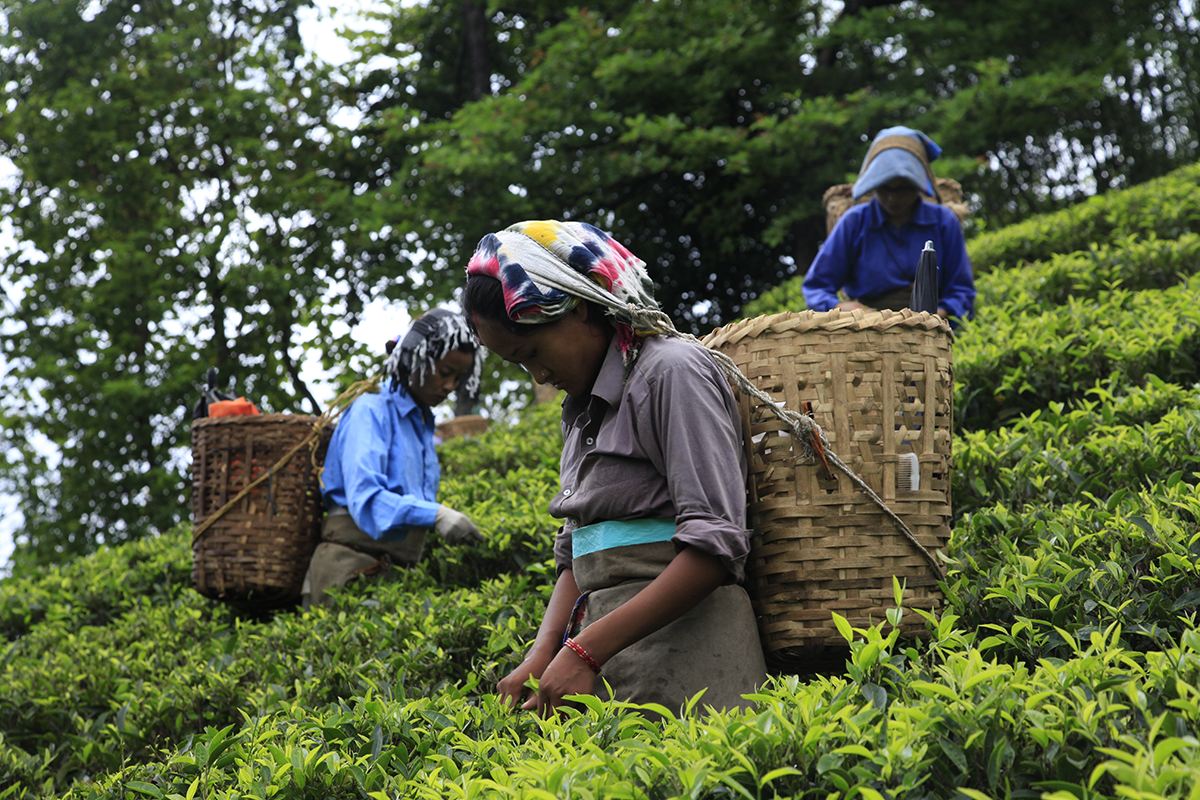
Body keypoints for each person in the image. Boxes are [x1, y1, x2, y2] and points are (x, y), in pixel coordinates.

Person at [463, 220, 767, 718]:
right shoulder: (581, 409)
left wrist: (584, 650)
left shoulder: (671, 372)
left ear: (579, 304)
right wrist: (542, 657)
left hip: (692, 655)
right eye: (518, 364)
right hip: (608, 659)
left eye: (533, 352)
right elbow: (576, 553)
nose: (537, 375)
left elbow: (716, 545)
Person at [302, 309, 486, 608]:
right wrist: (436, 514)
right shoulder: (370, 410)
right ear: (415, 359)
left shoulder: (422, 425)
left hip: (397, 574)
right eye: (444, 372)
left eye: (458, 377)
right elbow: (367, 498)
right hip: (348, 568)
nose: (450, 386)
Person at [802, 126, 976, 322]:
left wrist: (932, 318)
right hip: (868, 329)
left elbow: (962, 292)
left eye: (903, 189)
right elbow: (816, 287)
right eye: (884, 189)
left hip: (932, 329)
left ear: (918, 187)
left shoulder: (943, 221)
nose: (893, 198)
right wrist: (839, 306)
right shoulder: (854, 222)